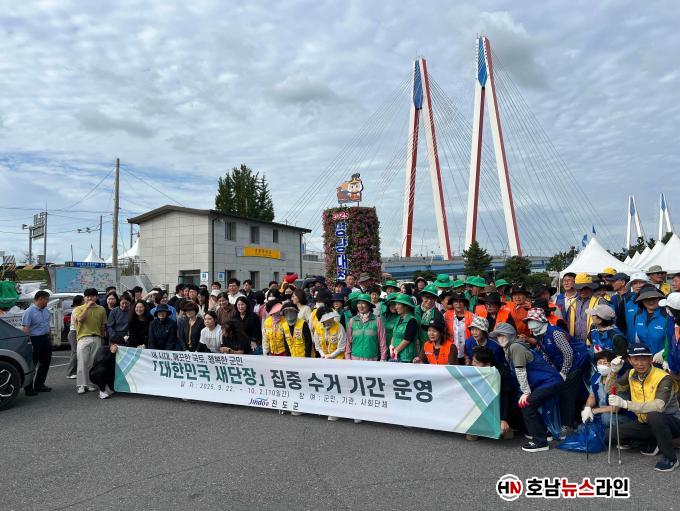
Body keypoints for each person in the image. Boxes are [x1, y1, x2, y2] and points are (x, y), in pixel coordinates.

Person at [605, 344, 680, 472]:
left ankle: (670, 458)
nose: (640, 363)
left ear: (650, 359)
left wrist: (625, 404)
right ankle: (654, 442)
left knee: (654, 415)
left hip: (672, 423)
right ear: (630, 360)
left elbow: (659, 406)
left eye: (644, 359)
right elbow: (610, 389)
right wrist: (613, 372)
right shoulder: (630, 373)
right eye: (636, 359)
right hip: (645, 422)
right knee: (610, 435)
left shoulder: (663, 377)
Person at [490, 322, 563, 452]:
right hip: (546, 381)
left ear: (510, 335)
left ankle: (540, 442)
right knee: (523, 403)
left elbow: (520, 371)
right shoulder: (511, 347)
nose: (499, 338)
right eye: (498, 336)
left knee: (527, 405)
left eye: (502, 335)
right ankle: (542, 433)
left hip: (548, 381)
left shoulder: (515, 347)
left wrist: (526, 392)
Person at [525, 307, 589, 432]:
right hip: (561, 363)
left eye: (533, 320)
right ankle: (572, 419)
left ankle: (568, 424)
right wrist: (551, 371)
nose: (530, 324)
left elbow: (568, 353)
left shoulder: (555, 333)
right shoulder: (539, 335)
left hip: (577, 362)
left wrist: (564, 372)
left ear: (541, 321)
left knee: (567, 391)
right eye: (529, 321)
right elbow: (546, 353)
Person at [471, 345, 514, 439]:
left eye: (476, 362)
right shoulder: (471, 371)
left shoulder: (502, 373)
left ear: (487, 364)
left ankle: (507, 424)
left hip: (498, 406)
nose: (472, 364)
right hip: (481, 406)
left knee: (506, 435)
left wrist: (504, 419)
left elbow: (506, 397)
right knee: (471, 437)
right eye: (473, 361)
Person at [581, 350, 633, 427]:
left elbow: (616, 408)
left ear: (613, 364)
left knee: (605, 417)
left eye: (605, 363)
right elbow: (592, 396)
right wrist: (588, 408)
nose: (602, 366)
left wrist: (594, 411)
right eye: (599, 363)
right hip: (603, 410)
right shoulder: (596, 377)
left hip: (622, 415)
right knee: (585, 411)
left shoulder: (620, 381)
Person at [72, 288, 107, 394]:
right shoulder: (78, 309)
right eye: (87, 296)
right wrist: (87, 307)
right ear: (84, 298)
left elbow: (102, 325)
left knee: (92, 363)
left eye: (92, 296)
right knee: (82, 362)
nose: (90, 298)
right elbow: (80, 319)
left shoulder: (101, 309)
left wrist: (102, 338)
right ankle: (81, 385)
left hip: (97, 337)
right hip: (83, 338)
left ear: (96, 297)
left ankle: (90, 383)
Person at [21, 290, 53, 395]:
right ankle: (28, 388)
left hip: (45, 339)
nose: (47, 302)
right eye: (46, 300)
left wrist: (50, 336)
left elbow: (47, 324)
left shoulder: (46, 311)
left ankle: (39, 385)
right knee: (32, 364)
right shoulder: (29, 312)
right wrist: (28, 342)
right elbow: (26, 328)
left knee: (45, 362)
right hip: (34, 339)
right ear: (40, 299)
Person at [634, 285, 675, 366]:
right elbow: (637, 339)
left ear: (659, 298)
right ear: (642, 300)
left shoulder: (667, 315)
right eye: (647, 299)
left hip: (665, 361)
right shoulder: (638, 315)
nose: (651, 301)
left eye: (654, 298)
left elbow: (674, 340)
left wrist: (665, 352)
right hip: (645, 362)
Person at [345, 293, 387, 361]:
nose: (360, 306)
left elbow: (382, 341)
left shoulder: (377, 320)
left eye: (363, 303)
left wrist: (383, 359)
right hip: (354, 358)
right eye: (359, 303)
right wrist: (348, 357)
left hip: (371, 359)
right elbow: (348, 341)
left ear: (369, 305)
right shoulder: (352, 320)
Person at [567, 273, 605, 342]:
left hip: (594, 343)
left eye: (585, 288)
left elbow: (607, 324)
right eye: (580, 288)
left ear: (591, 287)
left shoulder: (600, 302)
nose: (583, 291)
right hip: (576, 343)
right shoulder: (573, 303)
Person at [389, 293, 419, 363]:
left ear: (406, 306)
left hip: (406, 357)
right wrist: (391, 346)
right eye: (396, 304)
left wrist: (396, 350)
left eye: (398, 304)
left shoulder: (412, 320)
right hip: (396, 355)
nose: (396, 307)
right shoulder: (398, 319)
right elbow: (394, 334)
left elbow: (407, 339)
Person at [444, 292, 473, 364]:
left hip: (467, 351)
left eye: (461, 302)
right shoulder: (446, 315)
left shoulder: (472, 316)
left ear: (464, 303)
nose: (458, 304)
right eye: (456, 302)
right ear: (452, 303)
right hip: (451, 351)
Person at [624, 272, 652, 342]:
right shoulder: (626, 300)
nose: (638, 285)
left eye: (641, 282)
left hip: (651, 344)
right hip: (632, 343)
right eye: (635, 283)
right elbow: (620, 322)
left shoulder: (655, 300)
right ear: (631, 285)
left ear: (647, 284)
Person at [65, 295, 84, 379]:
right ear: (81, 301)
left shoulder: (79, 309)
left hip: (76, 333)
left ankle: (75, 371)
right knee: (75, 352)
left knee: (77, 352)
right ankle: (70, 373)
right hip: (74, 333)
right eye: (83, 300)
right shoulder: (77, 310)